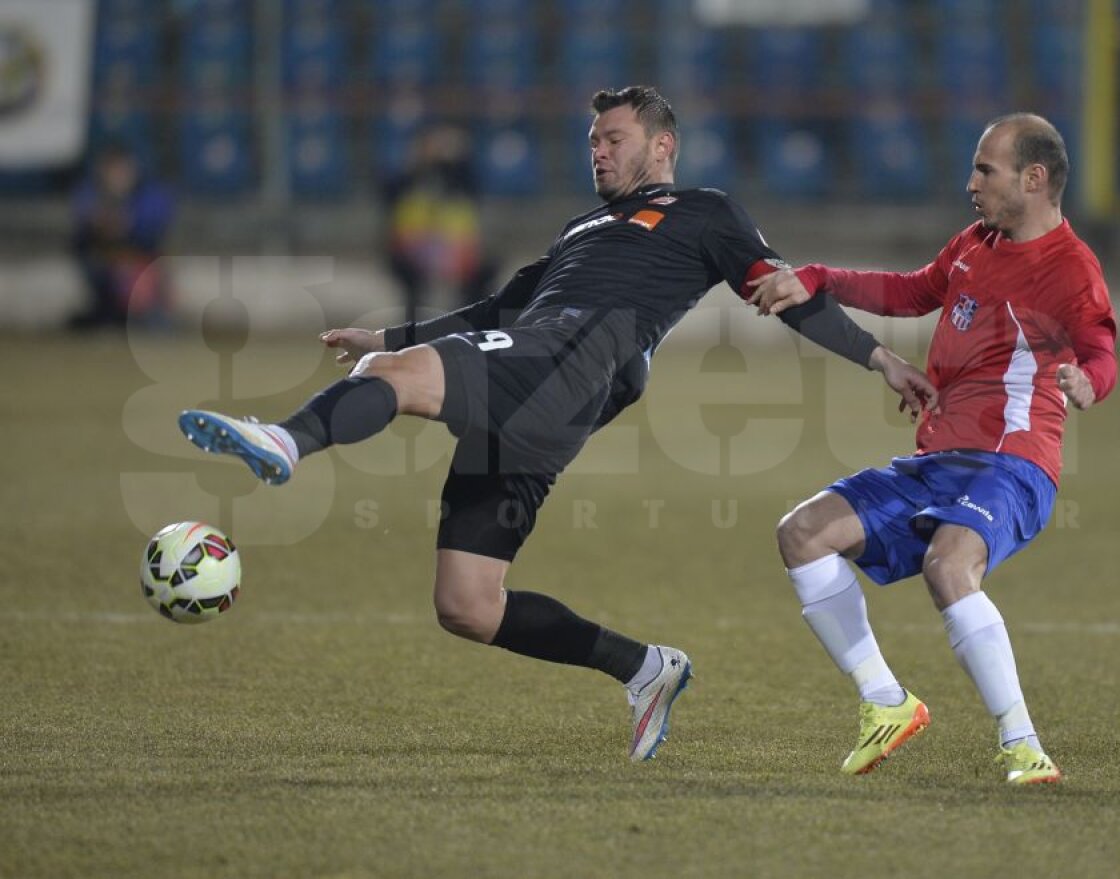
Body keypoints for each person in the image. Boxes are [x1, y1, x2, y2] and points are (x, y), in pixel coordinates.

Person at [177, 86, 936, 762]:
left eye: (614, 139)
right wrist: (386, 336)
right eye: (592, 141)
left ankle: (285, 440)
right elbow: (495, 309)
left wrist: (879, 359)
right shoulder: (582, 227)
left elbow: (788, 292)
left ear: (662, 146)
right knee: (467, 603)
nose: (598, 152)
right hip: (542, 383)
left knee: (390, 380)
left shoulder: (706, 211)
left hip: (571, 358)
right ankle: (645, 668)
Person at [748, 113, 1118, 784]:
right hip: (939, 459)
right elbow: (914, 290)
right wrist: (818, 276)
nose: (971, 183)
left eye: (986, 169)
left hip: (1014, 462)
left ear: (1033, 179)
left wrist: (1089, 381)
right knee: (802, 533)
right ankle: (885, 701)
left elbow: (1100, 347)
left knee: (949, 563)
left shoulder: (1070, 267)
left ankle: (1022, 744)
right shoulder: (976, 242)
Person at [382, 123, 497, 318]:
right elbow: (390, 195)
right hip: (415, 244)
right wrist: (415, 163)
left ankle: (469, 319)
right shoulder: (409, 175)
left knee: (484, 271)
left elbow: (474, 190)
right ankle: (415, 323)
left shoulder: (458, 174)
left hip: (455, 242)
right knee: (412, 279)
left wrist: (457, 160)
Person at [68, 142, 174, 329]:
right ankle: (108, 313)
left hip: (140, 259)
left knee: (143, 274)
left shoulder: (149, 193)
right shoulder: (90, 192)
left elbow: (152, 228)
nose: (117, 175)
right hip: (105, 260)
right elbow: (86, 222)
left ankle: (146, 314)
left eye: (121, 169)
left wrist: (127, 225)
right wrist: (104, 225)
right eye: (112, 170)